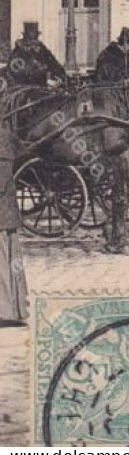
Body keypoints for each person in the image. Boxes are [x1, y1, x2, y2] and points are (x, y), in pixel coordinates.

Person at [0, 118, 28, 325]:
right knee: (10, 261)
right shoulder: (6, 135)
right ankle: (13, 309)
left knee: (4, 262)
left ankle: (6, 312)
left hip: (2, 212)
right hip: (6, 211)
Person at [6, 22, 65, 89]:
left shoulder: (41, 48)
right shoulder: (18, 53)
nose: (34, 37)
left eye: (35, 34)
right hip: (27, 89)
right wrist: (46, 81)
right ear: (25, 35)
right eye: (31, 34)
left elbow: (54, 63)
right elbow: (23, 74)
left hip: (48, 86)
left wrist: (60, 77)